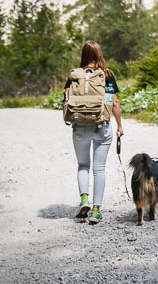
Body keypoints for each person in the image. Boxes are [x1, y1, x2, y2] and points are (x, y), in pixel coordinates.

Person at [64, 40, 125, 224]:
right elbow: (113, 102)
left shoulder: (74, 75)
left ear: (83, 55)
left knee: (83, 165)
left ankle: (84, 200)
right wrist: (120, 126)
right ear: (99, 54)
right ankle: (96, 211)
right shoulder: (107, 75)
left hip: (80, 126)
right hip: (101, 126)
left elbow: (66, 99)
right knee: (99, 169)